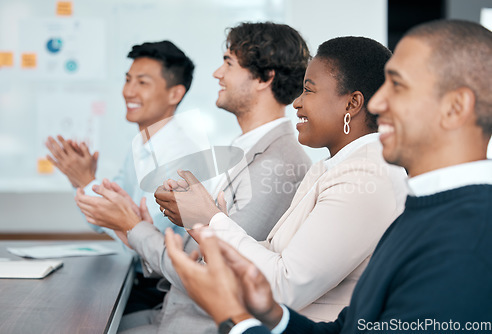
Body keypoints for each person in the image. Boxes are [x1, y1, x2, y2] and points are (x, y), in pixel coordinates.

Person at [165, 19, 492, 333]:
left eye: (399, 86)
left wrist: (210, 226)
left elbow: (286, 283)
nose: (378, 102)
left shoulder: (465, 232)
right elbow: (352, 327)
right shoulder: (425, 204)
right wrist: (273, 315)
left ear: (454, 108)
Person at [79, 22, 312, 333]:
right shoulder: (242, 149)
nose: (217, 73)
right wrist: (137, 228)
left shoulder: (280, 163)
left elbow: (210, 273)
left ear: (264, 78)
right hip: (172, 309)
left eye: (228, 62)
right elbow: (196, 251)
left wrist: (133, 227)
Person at [156, 36, 407, 323]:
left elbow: (284, 286)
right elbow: (275, 254)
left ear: (352, 103)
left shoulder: (365, 177)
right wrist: (208, 221)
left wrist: (210, 221)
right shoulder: (334, 167)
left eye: (308, 91)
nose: (297, 103)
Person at [46, 40, 199, 313]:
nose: (128, 91)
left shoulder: (179, 154)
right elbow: (102, 222)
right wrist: (80, 181)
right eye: (128, 80)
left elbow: (138, 230)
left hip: (164, 291)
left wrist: (85, 182)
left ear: (175, 93)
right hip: (143, 279)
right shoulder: (141, 146)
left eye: (142, 82)